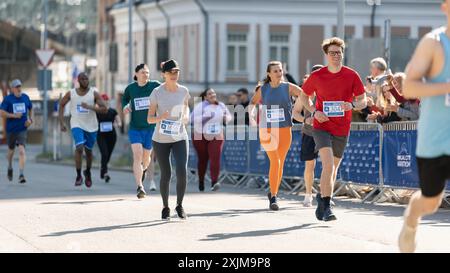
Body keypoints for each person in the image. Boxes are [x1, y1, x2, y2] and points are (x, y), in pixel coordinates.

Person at [398, 0, 450, 253]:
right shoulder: (434, 44)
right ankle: (411, 219)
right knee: (430, 202)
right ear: (446, 7)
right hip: (436, 141)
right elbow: (409, 87)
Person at [300, 37, 367, 221]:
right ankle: (328, 206)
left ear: (343, 54)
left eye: (339, 52)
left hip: (342, 128)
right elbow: (304, 97)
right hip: (321, 126)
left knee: (333, 168)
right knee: (328, 164)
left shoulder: (351, 75)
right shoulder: (317, 76)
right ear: (326, 55)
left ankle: (322, 199)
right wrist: (314, 112)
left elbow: (363, 100)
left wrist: (352, 104)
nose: (336, 55)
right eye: (332, 53)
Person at [250, 61, 303, 211]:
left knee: (280, 163)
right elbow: (252, 103)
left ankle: (273, 191)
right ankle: (274, 196)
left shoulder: (288, 87)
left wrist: (298, 108)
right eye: (276, 71)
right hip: (267, 130)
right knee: (275, 161)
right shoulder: (263, 89)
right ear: (269, 74)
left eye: (280, 70)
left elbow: (304, 94)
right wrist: (252, 118)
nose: (279, 73)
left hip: (285, 130)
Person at [147, 59, 191, 220]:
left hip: (179, 136)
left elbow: (186, 108)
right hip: (160, 139)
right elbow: (149, 119)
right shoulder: (157, 93)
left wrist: (185, 117)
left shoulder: (184, 91)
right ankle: (165, 207)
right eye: (171, 72)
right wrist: (161, 117)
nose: (174, 75)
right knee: (166, 173)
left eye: (176, 72)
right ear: (164, 74)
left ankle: (179, 205)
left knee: (182, 170)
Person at [59, 73, 107, 188]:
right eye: (83, 79)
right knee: (79, 148)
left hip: (91, 126)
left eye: (87, 79)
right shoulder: (71, 93)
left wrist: (90, 107)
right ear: (78, 81)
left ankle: (88, 172)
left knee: (89, 152)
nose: (85, 81)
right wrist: (61, 122)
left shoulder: (93, 93)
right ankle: (78, 175)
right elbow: (61, 105)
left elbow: (104, 109)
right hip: (76, 124)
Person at [122, 64, 160, 198]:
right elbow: (125, 99)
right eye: (143, 72)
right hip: (135, 128)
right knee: (137, 155)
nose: (146, 75)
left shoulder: (154, 85)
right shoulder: (131, 88)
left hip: (150, 128)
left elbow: (166, 89)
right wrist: (125, 106)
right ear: (136, 74)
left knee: (146, 157)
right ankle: (140, 186)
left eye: (148, 72)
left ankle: (143, 170)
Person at [292, 64, 324, 207]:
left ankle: (325, 195)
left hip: (326, 132)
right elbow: (295, 113)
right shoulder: (305, 93)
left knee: (328, 165)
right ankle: (308, 194)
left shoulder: (329, 91)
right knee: (310, 164)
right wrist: (306, 119)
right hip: (309, 132)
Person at [191, 88, 232, 192]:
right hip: (200, 136)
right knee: (203, 159)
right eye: (209, 93)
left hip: (216, 135)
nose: (212, 95)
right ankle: (201, 180)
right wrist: (206, 117)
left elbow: (229, 117)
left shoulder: (221, 105)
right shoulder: (200, 106)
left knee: (215, 157)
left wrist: (225, 118)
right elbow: (192, 119)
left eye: (213, 93)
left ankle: (214, 182)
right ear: (205, 97)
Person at [0, 79, 33, 183]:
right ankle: (10, 167)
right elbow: (1, 112)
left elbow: (31, 109)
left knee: (22, 151)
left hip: (22, 129)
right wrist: (13, 115)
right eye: (17, 87)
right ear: (13, 89)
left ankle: (21, 174)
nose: (19, 89)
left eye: (20, 86)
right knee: (11, 151)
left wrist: (30, 120)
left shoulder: (25, 97)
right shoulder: (8, 99)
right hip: (11, 130)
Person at [96, 93, 122, 182]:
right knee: (104, 154)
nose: (105, 103)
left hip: (112, 136)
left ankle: (103, 169)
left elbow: (119, 121)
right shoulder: (97, 112)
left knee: (108, 155)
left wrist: (117, 123)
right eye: (102, 101)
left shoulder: (112, 111)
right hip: (101, 136)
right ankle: (105, 172)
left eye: (106, 101)